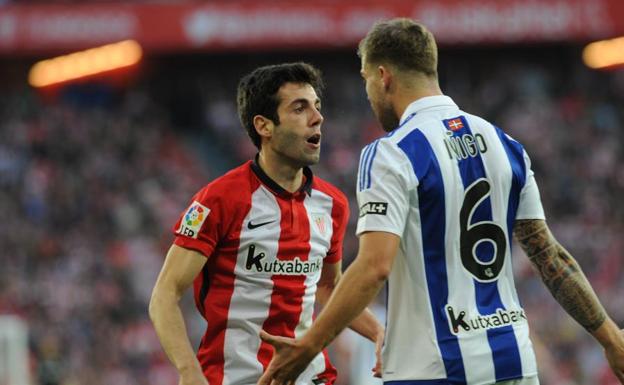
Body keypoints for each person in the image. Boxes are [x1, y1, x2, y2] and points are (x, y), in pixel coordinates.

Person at [257, 19, 624, 385]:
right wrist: (610, 337)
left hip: (434, 368)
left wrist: (308, 346)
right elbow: (549, 255)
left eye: (366, 79)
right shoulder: (504, 144)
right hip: (514, 362)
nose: (368, 93)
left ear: (384, 76)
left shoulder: (391, 153)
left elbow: (374, 267)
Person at [149, 62, 384, 385]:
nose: (317, 118)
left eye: (317, 106)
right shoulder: (219, 200)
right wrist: (189, 372)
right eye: (299, 108)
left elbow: (329, 288)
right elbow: (165, 293)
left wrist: (379, 333)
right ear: (264, 126)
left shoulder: (333, 205)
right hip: (235, 376)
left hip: (310, 376)